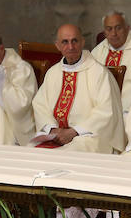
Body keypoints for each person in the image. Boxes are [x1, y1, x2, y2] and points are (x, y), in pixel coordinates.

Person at [30, 23, 124, 153]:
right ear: (57, 45)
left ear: (82, 42)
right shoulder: (53, 73)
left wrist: (74, 132)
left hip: (88, 136)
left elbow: (106, 111)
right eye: (65, 42)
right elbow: (40, 105)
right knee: (29, 151)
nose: (71, 46)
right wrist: (52, 129)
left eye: (75, 41)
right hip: (55, 135)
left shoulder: (99, 72)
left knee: (69, 153)